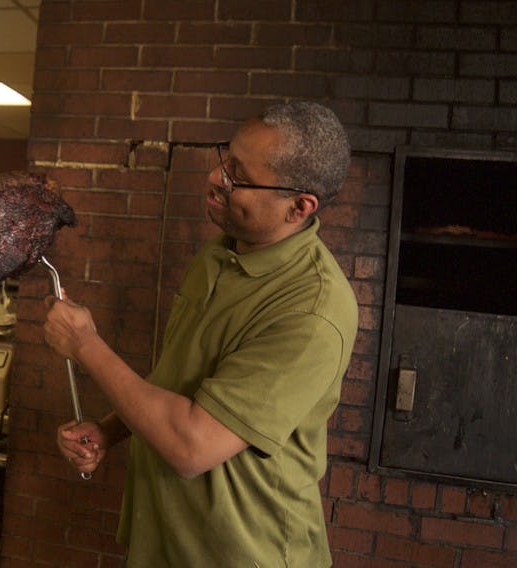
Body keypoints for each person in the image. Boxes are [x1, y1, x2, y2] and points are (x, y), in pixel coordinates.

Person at [43, 101, 358, 567]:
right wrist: (109, 430)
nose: (215, 178)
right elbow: (181, 379)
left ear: (299, 207)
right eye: (225, 159)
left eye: (238, 176)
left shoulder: (311, 312)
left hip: (240, 553)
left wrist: (84, 345)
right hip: (166, 541)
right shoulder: (220, 254)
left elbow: (192, 446)